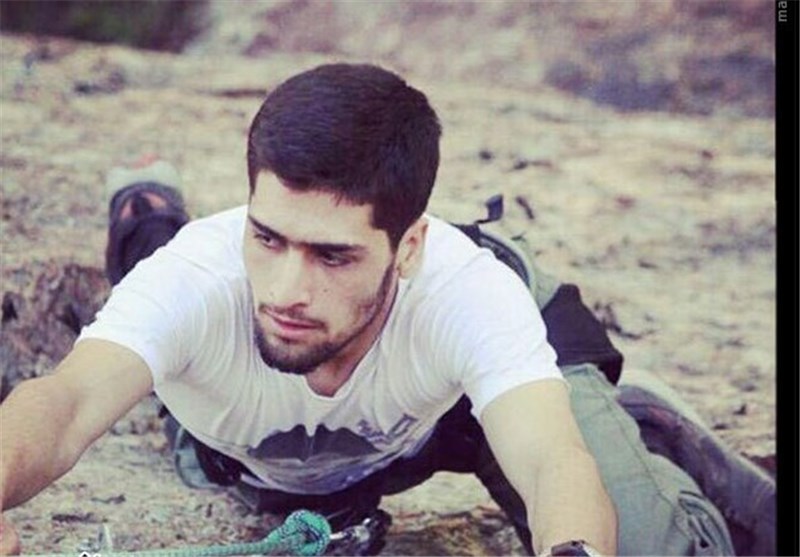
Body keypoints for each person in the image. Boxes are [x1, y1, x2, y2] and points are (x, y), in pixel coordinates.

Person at [0, 64, 773, 556]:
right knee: (164, 307)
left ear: (408, 248)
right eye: (267, 237)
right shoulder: (196, 280)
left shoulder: (466, 293)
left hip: (451, 415)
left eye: (332, 255)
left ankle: (633, 426)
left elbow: (549, 460)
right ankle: (146, 207)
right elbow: (64, 404)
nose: (287, 288)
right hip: (287, 461)